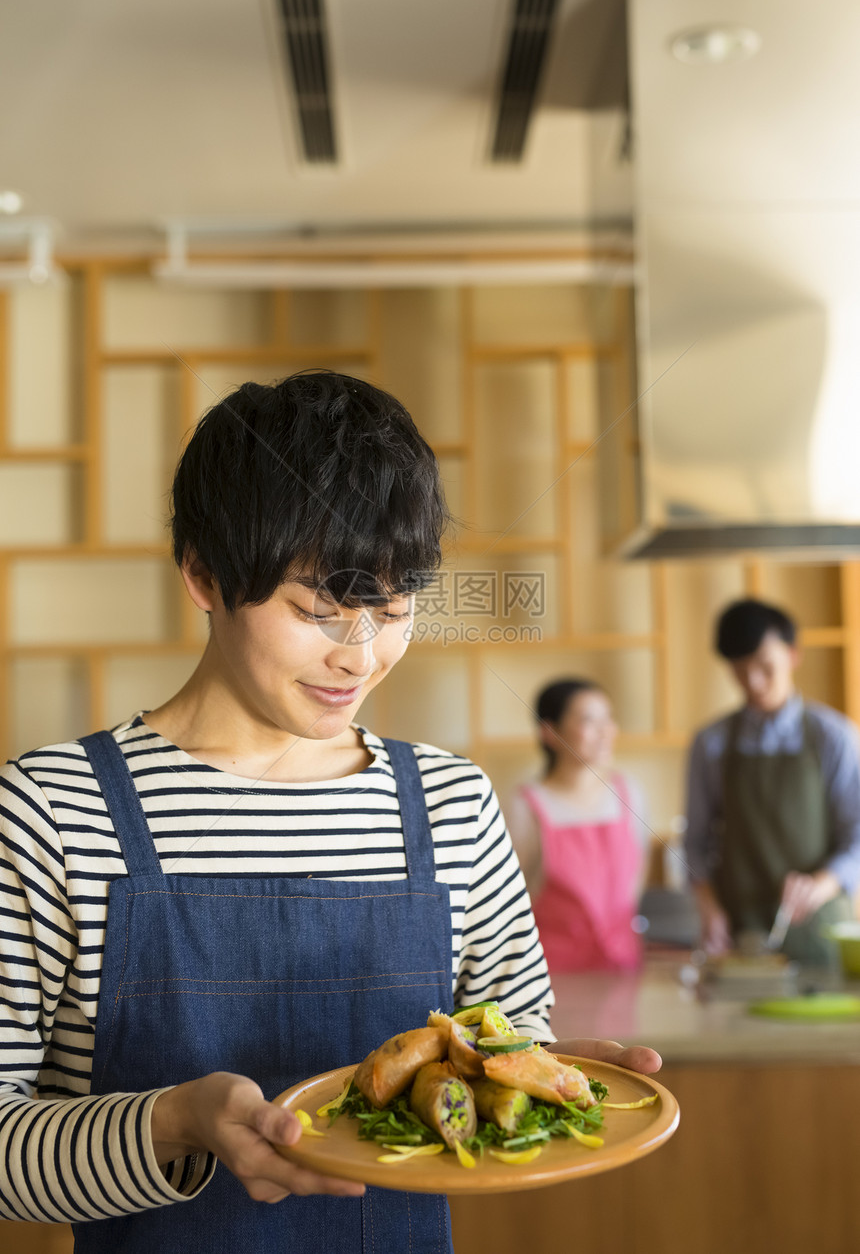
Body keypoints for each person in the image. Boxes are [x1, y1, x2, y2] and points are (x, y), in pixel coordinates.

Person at [0, 372, 660, 1252]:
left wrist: (544, 1082)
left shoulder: (453, 806)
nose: (360, 655)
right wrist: (175, 1123)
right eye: (318, 610)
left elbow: (515, 1031)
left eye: (393, 610)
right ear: (203, 572)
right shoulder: (52, 813)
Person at [684, 596, 860, 965]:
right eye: (740, 670)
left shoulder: (835, 737)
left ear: (794, 655)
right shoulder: (711, 743)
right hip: (738, 932)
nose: (754, 682)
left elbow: (856, 838)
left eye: (766, 667)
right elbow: (696, 842)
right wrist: (709, 907)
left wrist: (821, 884)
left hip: (821, 928)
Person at [507, 678, 648, 973]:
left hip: (623, 967)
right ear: (550, 732)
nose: (605, 731)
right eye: (589, 720)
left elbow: (636, 878)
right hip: (553, 974)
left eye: (608, 719)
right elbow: (510, 905)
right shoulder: (525, 806)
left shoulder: (628, 793)